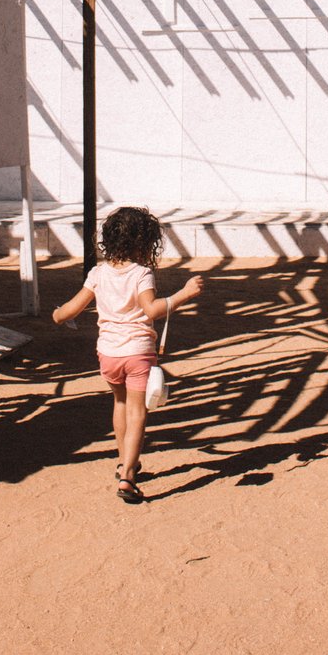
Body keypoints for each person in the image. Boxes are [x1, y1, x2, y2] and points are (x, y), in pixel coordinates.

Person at [52, 205, 203, 503]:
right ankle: (128, 478)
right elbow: (152, 310)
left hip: (107, 354)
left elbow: (71, 310)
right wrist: (184, 294)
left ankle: (124, 461)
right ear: (145, 242)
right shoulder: (142, 274)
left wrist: (57, 315)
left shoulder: (97, 273)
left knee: (119, 404)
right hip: (138, 353)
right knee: (138, 413)